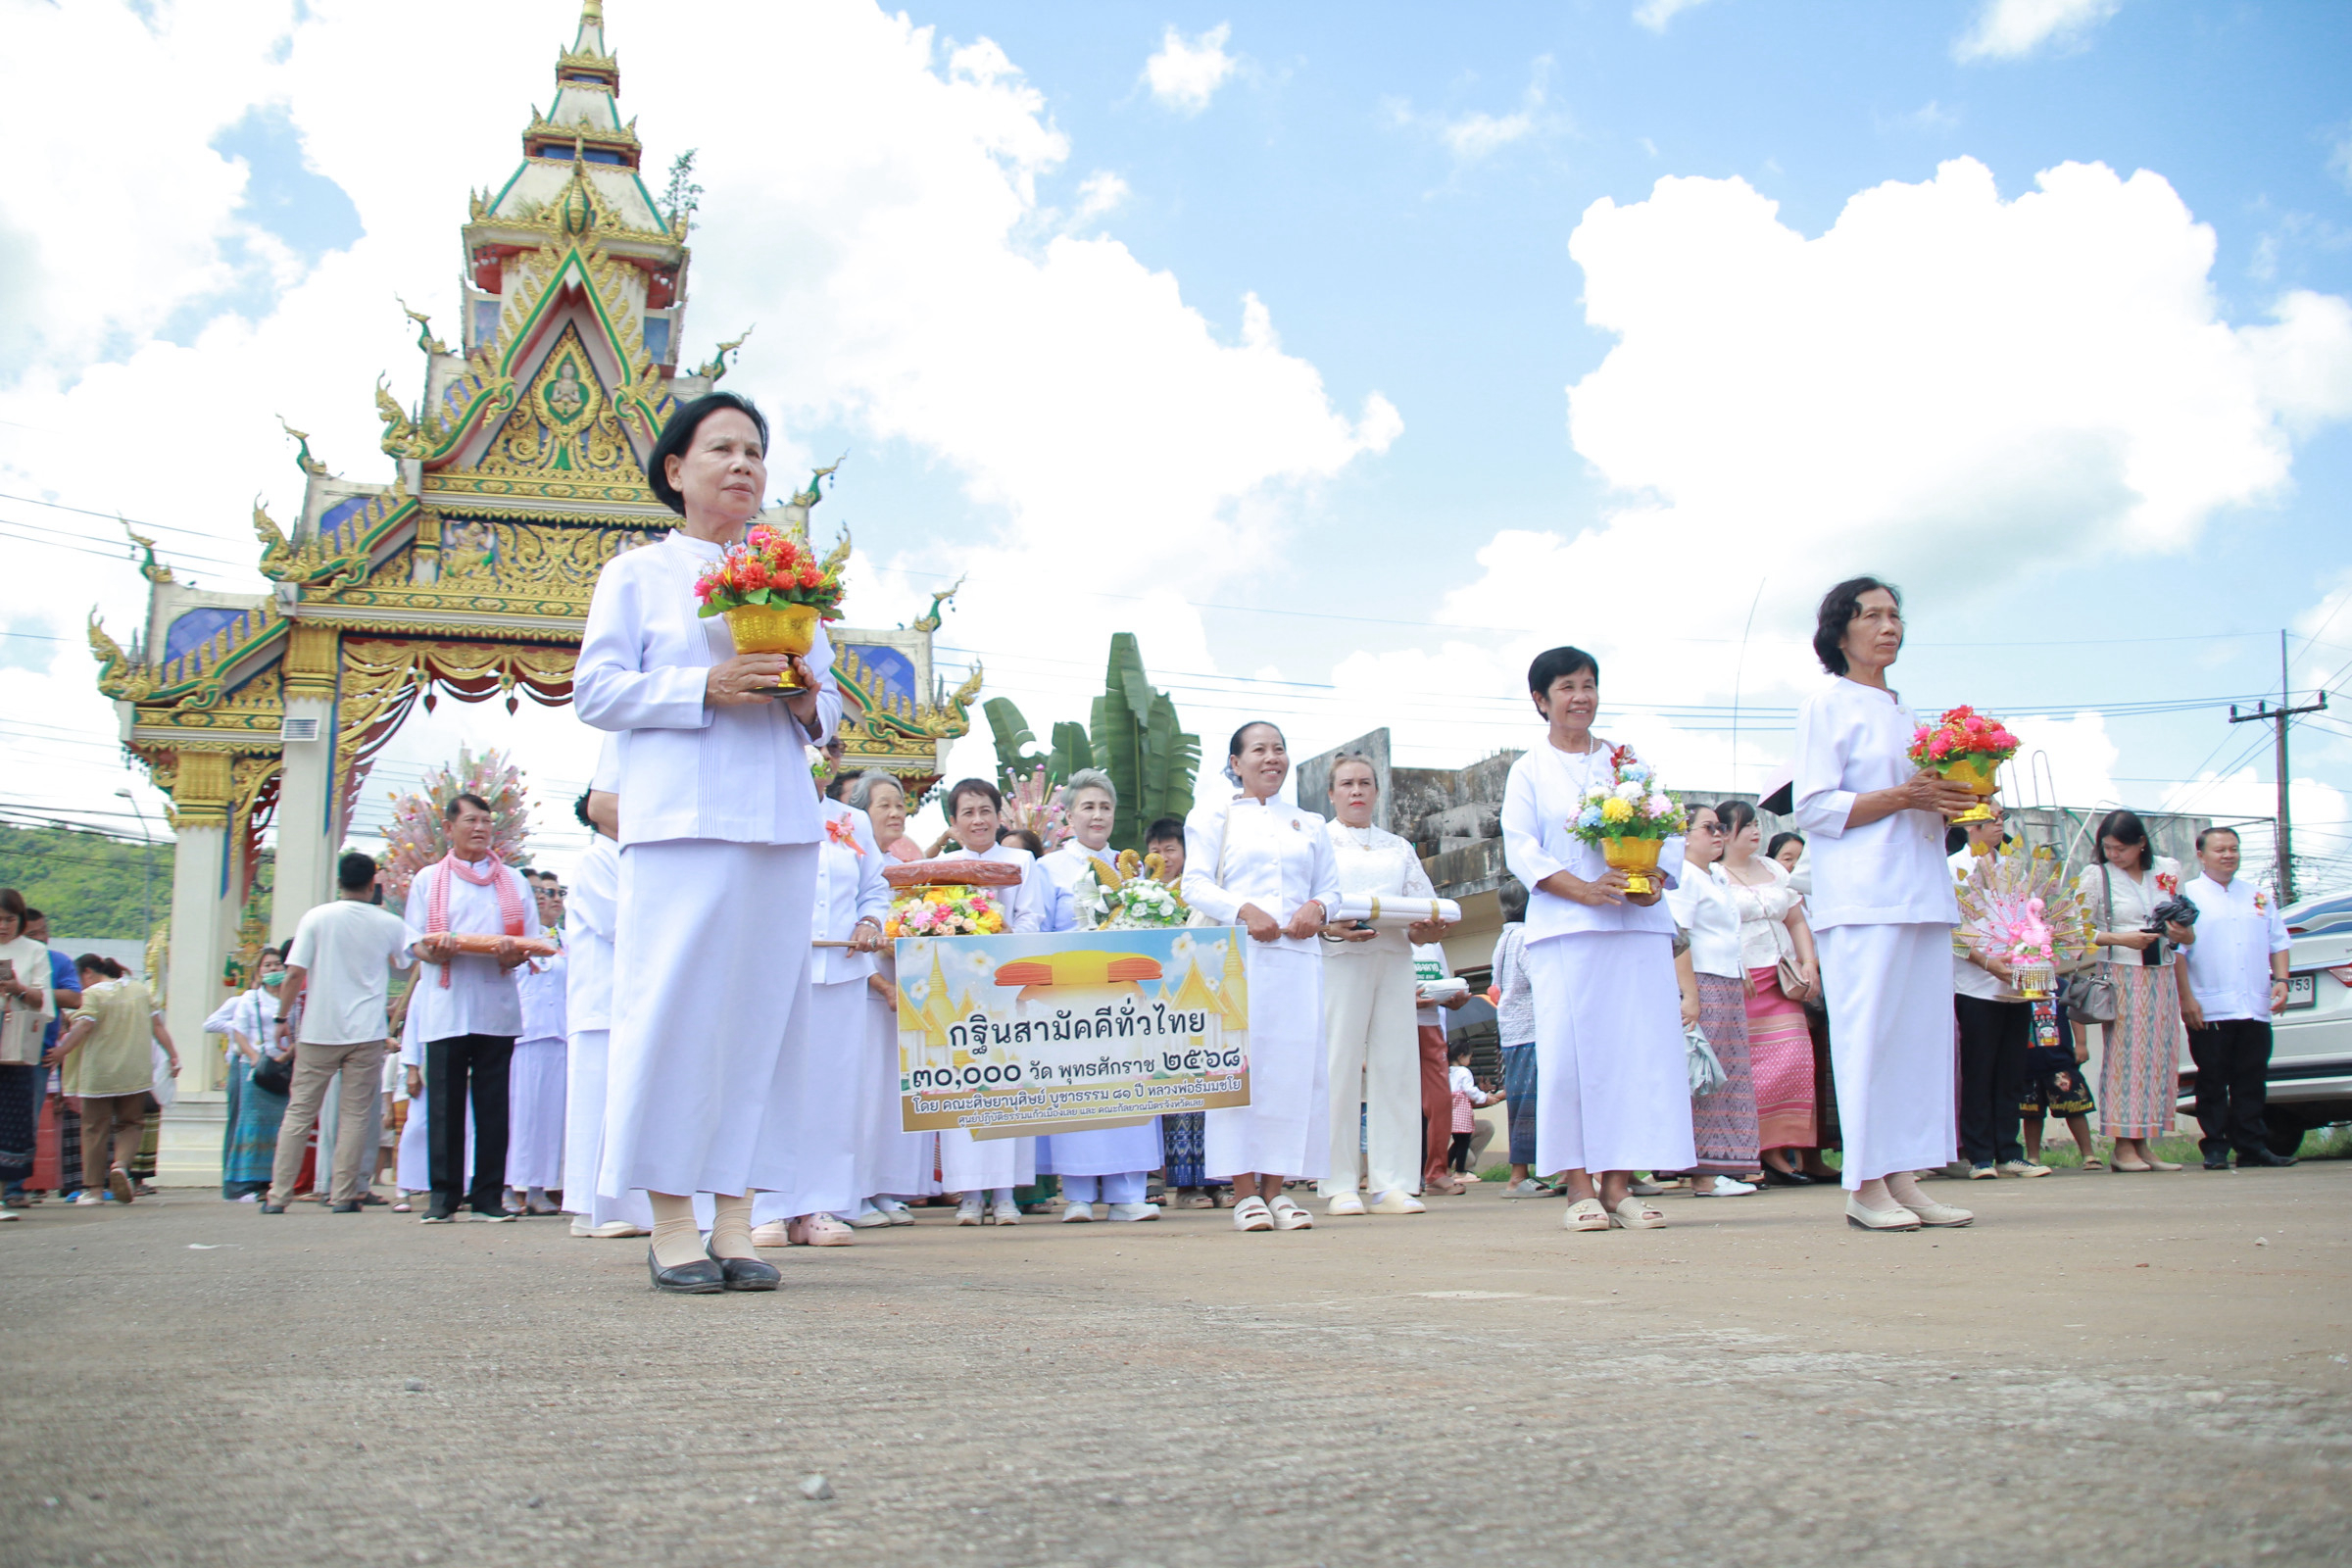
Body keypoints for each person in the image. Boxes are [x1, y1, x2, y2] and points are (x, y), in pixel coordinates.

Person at [575, 389, 841, 1293]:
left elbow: (831, 713)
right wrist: (705, 686)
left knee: (761, 1025)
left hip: (777, 824)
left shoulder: (793, 580)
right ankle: (670, 1222)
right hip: (681, 824)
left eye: (756, 452)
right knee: (676, 1020)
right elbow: (597, 691)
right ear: (676, 470)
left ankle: (737, 1219)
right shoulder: (638, 575)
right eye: (722, 448)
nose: (743, 466)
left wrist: (805, 697)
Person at [1791, 577, 1980, 1231]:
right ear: (1840, 632)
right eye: (1871, 615)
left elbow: (1923, 805)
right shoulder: (1828, 702)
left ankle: (1905, 1176)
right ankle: (1865, 1185)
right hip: (1863, 898)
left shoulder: (1906, 714)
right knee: (1868, 1039)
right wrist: (1903, 797)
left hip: (1922, 891)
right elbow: (1813, 806)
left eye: (1895, 614)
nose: (1887, 625)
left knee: (1918, 1043)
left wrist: (1956, 801)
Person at [1499, 647, 1693, 1233]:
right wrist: (1582, 890)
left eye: (1588, 684)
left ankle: (1620, 1184)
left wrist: (1655, 879)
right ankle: (1578, 1184)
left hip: (1634, 926)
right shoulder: (1529, 768)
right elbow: (1521, 847)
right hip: (1568, 929)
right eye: (1566, 687)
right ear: (1541, 700)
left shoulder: (1626, 762)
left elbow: (1666, 824)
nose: (1580, 696)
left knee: (1636, 1053)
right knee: (1570, 1059)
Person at [1181, 721, 1339, 1233]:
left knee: (1295, 1073)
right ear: (1235, 762)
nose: (1271, 758)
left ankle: (1279, 1190)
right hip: (1237, 960)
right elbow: (1195, 884)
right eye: (1258, 750)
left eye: (1279, 749)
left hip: (1297, 961)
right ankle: (1244, 1192)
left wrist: (1317, 906)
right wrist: (1245, 910)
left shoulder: (1310, 823)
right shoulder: (1213, 815)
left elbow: (1332, 890)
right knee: (1241, 1070)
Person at [750, 739, 888, 1246]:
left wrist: (870, 920)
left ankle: (820, 1204)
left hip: (843, 972)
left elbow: (876, 887)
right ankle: (764, 1207)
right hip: (778, 972)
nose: (819, 761)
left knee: (832, 1091)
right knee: (772, 1090)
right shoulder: (763, 809)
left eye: (827, 752)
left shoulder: (854, 822)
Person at [1316, 754, 1447, 1217]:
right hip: (1339, 959)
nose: (1357, 791)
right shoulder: (1320, 842)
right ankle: (1338, 1182)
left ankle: (1393, 1181)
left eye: (1365, 783)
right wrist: (1330, 928)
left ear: (1376, 791)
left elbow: (1422, 908)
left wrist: (1428, 927)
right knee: (1340, 1066)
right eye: (1347, 784)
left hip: (1394, 959)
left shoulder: (1398, 847)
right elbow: (1309, 909)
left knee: (1396, 1067)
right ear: (1331, 793)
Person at [403, 795, 539, 1224]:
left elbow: (529, 943)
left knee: (493, 1104)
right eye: (470, 820)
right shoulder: (428, 879)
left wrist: (510, 952)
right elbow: (414, 942)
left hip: (495, 1005)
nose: (480, 828)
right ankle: (443, 1197)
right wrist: (436, 949)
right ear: (449, 828)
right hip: (446, 1004)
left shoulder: (514, 881)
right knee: (443, 1104)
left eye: (486, 821)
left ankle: (487, 1196)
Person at [1035, 768, 1163, 1222]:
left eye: (1105, 807)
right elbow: (1035, 928)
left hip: (1125, 999)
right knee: (1079, 1090)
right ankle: (1079, 1194)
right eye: (1088, 807)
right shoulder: (1049, 867)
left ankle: (1129, 1194)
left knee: (1127, 1087)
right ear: (1068, 815)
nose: (1097, 815)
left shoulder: (1133, 868)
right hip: (1068, 1001)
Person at [266, 852, 415, 1215]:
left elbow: (294, 974)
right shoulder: (388, 923)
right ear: (372, 883)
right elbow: (406, 962)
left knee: (299, 1113)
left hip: (319, 1029)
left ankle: (278, 1195)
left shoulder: (316, 918)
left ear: (339, 882)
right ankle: (344, 1193)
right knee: (355, 1115)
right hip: (366, 1031)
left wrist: (281, 1018)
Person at [927, 778, 1044, 1224]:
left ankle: (1006, 1192)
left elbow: (1032, 914)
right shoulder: (942, 865)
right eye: (967, 813)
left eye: (985, 811)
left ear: (1000, 816)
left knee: (1010, 1083)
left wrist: (1008, 938)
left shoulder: (1022, 860)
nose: (977, 820)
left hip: (1009, 984)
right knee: (963, 1086)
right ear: (953, 822)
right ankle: (969, 1193)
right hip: (959, 993)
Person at [2078, 808, 2196, 1174]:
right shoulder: (2097, 876)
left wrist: (2179, 933)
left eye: (2122, 848)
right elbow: (2071, 929)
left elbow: (2186, 924)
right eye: (2109, 848)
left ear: (2140, 843)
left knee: (2158, 1057)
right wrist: (2119, 937)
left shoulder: (2168, 870)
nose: (2115, 855)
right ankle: (2121, 1143)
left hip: (2160, 970)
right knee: (2126, 1058)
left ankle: (2146, 1141)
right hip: (2120, 972)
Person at [562, 764, 653, 1239]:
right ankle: (587, 1209)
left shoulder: (635, 856)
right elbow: (621, 926)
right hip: (601, 1001)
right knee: (595, 1106)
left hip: (634, 1001)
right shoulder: (597, 860)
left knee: (626, 1106)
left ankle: (625, 1207)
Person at [1713, 800, 1821, 1185]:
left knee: (1793, 1059)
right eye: (1745, 828)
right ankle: (1750, 1154)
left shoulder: (1773, 869)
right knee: (1746, 1071)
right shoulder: (1713, 874)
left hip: (1782, 976)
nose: (1756, 832)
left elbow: (1796, 918)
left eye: (1756, 825)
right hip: (1741, 980)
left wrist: (1809, 963)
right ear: (1723, 834)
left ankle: (1777, 1150)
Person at [2177, 826, 2295, 1170]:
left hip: (2254, 1005)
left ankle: (2253, 1146)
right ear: (2201, 855)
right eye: (2220, 850)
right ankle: (2215, 1146)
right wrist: (2187, 999)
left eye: (2233, 848)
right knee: (2212, 1079)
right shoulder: (2188, 896)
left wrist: (2282, 981)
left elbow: (2279, 942)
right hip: (2210, 1006)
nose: (2228, 855)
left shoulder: (2257, 895)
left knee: (2251, 1079)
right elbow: (2178, 952)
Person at [842, 770, 931, 1224]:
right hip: (861, 995)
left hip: (904, 999)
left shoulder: (910, 864)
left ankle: (884, 1189)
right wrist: (882, 985)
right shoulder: (846, 858)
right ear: (860, 812)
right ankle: (851, 1192)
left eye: (900, 804)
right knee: (860, 1100)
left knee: (892, 1099)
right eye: (884, 805)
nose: (897, 812)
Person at [1665, 802, 1759, 1197]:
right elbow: (1678, 937)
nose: (1718, 834)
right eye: (1708, 828)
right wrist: (1689, 993)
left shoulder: (1716, 875)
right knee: (1705, 1074)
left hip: (1725, 979)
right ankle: (1703, 1172)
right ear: (1684, 838)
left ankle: (1724, 1164)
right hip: (1701, 981)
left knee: (1729, 1075)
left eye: (1721, 827)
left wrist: (1741, 968)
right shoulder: (1684, 875)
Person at [1950, 811, 2047, 1178]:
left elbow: (2031, 917)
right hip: (1974, 983)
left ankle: (2010, 1149)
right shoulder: (1953, 868)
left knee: (2011, 1069)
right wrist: (1987, 963)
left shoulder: (2015, 868)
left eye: (2001, 818)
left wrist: (2027, 956)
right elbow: (1951, 930)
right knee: (1979, 1068)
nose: (1998, 825)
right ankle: (1979, 1155)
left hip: (2017, 980)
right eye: (1991, 819)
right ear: (1970, 826)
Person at [49, 956, 175, 1205]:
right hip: (135, 1070)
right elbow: (158, 1026)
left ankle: (94, 1191)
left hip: (100, 1072)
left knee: (95, 1128)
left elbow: (84, 1025)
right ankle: (120, 1165)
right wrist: (173, 1056)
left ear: (87, 973)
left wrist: (62, 1052)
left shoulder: (93, 995)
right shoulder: (139, 989)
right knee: (131, 1123)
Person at [1143, 815, 1216, 1204]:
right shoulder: (1135, 895)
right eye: (1156, 850)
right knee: (1169, 1095)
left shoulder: (1202, 893)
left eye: (1171, 849)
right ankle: (1182, 1184)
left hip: (1201, 1006)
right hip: (1157, 1010)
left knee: (1208, 1093)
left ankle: (1216, 1182)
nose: (1164, 857)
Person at [506, 871, 568, 1216]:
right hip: (525, 1034)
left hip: (558, 1034)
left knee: (549, 1117)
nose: (554, 899)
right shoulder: (517, 937)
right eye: (547, 892)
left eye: (559, 893)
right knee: (519, 1114)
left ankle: (538, 1187)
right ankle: (506, 1185)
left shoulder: (568, 940)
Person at [207, 948, 288, 1200]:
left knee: (280, 1127)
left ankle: (271, 1181)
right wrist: (255, 1059)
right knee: (251, 1125)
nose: (273, 970)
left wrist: (286, 1056)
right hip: (255, 1070)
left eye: (277, 965)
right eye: (267, 966)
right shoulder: (250, 999)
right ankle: (243, 1185)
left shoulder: (290, 998)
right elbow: (240, 1032)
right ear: (259, 972)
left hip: (283, 1068)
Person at [0, 890, 60, 1210]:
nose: (2, 926)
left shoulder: (34, 951)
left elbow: (45, 1004)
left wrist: (18, 989)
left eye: (9, 919)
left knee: (16, 1114)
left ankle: (12, 1187)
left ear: (20, 920)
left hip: (17, 1039)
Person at [1489, 880, 1547, 1200]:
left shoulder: (1505, 937)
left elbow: (1496, 986)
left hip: (1512, 1030)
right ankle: (1518, 1175)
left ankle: (1531, 1173)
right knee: (1531, 1102)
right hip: (1531, 1029)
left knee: (1521, 1100)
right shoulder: (1527, 937)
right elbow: (1542, 978)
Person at [1414, 941, 1474, 1194]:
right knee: (1396, 1102)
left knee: (1440, 1101)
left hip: (1431, 1026)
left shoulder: (1434, 945)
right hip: (1394, 1022)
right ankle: (1393, 1174)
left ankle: (1437, 1172)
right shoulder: (1391, 932)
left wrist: (1454, 999)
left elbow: (1446, 985)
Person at [1445, 1041, 1493, 1177]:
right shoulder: (1464, 1072)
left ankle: (1446, 1168)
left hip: (1450, 1113)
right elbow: (1469, 1090)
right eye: (1469, 1057)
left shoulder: (1446, 1072)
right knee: (1463, 1143)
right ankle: (1460, 1172)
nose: (1469, 1061)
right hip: (1461, 1112)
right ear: (1461, 1056)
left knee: (1458, 1142)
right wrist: (1483, 1097)